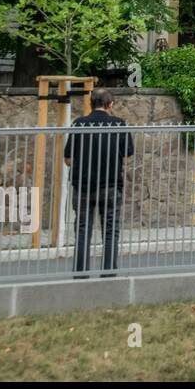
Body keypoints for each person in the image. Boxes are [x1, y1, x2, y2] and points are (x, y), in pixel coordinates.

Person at [64, 88, 135, 276]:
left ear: (90, 103)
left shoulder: (79, 124)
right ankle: (109, 272)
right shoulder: (119, 125)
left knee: (82, 230)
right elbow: (128, 155)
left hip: (83, 186)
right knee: (111, 230)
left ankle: (80, 272)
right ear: (110, 104)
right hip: (111, 185)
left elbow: (68, 158)